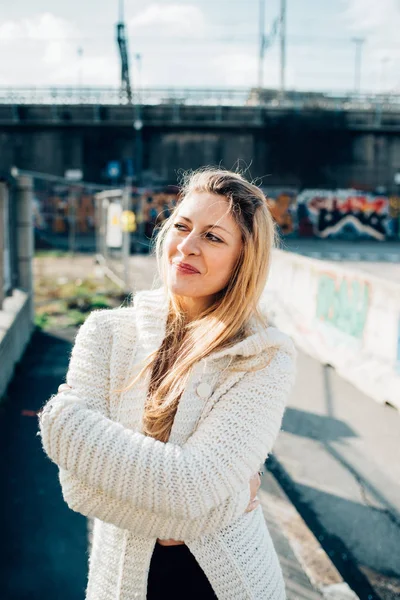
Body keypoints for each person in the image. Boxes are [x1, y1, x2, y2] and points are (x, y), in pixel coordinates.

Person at [38, 168, 297, 600]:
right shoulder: (105, 332)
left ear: (242, 259)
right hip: (121, 582)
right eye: (181, 225)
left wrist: (112, 466)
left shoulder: (264, 355)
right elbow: (77, 486)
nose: (187, 246)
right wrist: (233, 497)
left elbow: (190, 488)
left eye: (213, 237)